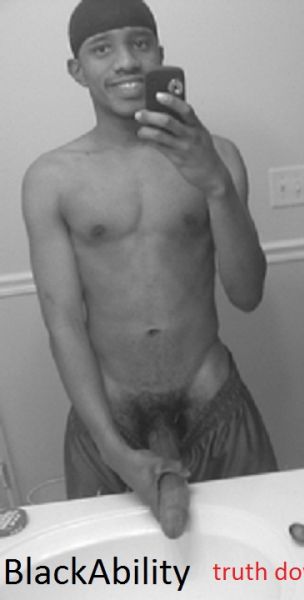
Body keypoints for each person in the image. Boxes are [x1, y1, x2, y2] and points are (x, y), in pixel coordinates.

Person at [22, 0, 277, 526]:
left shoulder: (220, 158)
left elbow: (247, 293)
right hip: (111, 418)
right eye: (102, 49)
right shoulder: (51, 178)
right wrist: (112, 450)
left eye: (140, 43)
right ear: (77, 70)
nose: (126, 61)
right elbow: (63, 322)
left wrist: (216, 185)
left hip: (213, 400)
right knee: (118, 567)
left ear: (160, 54)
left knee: (253, 553)